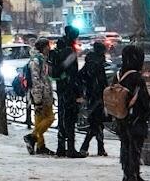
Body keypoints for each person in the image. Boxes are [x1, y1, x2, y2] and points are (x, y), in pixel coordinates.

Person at [115, 43, 150, 181]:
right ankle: (134, 175)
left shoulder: (119, 74)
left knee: (125, 146)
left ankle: (126, 174)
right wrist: (148, 111)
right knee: (135, 147)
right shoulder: (136, 77)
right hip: (136, 118)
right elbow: (144, 101)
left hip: (122, 116)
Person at [50, 26, 84, 157]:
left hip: (60, 87)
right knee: (70, 118)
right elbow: (72, 72)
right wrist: (77, 90)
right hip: (69, 88)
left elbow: (59, 69)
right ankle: (70, 148)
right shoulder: (69, 50)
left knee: (62, 116)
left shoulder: (59, 47)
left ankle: (60, 147)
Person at [78, 40, 109, 158]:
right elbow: (102, 81)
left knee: (97, 123)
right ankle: (86, 146)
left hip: (92, 97)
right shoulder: (98, 63)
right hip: (98, 97)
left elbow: (81, 76)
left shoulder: (90, 61)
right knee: (96, 124)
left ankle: (99, 148)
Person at [26, 37, 55, 155]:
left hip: (43, 94)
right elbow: (36, 81)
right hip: (41, 96)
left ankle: (40, 146)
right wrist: (38, 98)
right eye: (48, 46)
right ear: (44, 47)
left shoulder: (41, 59)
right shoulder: (36, 61)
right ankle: (32, 137)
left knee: (39, 120)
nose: (50, 48)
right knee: (50, 118)